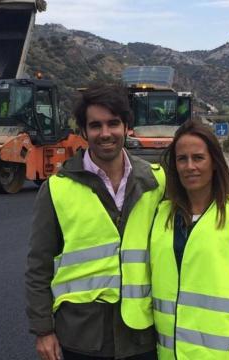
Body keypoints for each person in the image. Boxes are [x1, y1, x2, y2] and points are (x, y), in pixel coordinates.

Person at [25, 84, 166, 360]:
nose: (105, 134)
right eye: (95, 125)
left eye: (113, 123)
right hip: (82, 338)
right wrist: (43, 330)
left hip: (142, 335)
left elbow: (199, 203)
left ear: (127, 126)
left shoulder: (156, 181)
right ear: (83, 132)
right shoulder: (57, 188)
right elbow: (38, 266)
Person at [149, 120, 229, 360]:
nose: (189, 166)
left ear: (214, 162)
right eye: (182, 159)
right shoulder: (162, 214)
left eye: (198, 158)